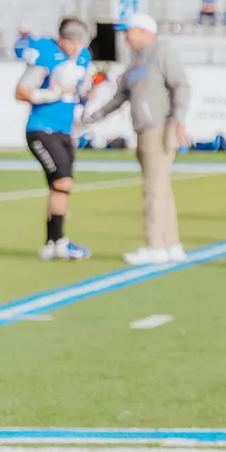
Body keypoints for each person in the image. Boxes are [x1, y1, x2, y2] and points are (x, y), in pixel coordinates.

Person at [83, 14, 189, 266]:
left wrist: (178, 120)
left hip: (159, 126)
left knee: (153, 188)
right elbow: (121, 96)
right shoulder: (136, 61)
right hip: (144, 128)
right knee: (161, 188)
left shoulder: (162, 52)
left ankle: (155, 244)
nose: (126, 36)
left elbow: (181, 86)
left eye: (129, 31)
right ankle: (170, 243)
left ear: (144, 30)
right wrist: (94, 117)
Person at [15, 17, 94, 261]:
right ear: (61, 39)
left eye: (79, 41)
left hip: (64, 129)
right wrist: (53, 93)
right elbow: (21, 92)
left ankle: (53, 242)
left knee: (59, 187)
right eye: (71, 41)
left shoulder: (83, 57)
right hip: (42, 129)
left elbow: (80, 91)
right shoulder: (46, 54)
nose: (75, 47)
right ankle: (58, 241)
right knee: (63, 182)